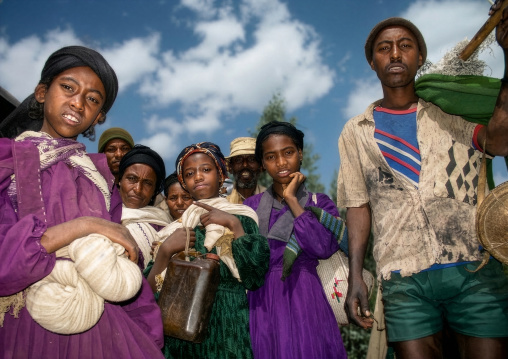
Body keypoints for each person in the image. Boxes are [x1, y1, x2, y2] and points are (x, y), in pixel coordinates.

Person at [337, 9, 508, 359]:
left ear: (420, 57)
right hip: (404, 276)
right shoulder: (356, 131)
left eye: (405, 45)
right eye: (384, 48)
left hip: (473, 265)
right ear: (372, 62)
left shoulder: (448, 111)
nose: (395, 54)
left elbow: (499, 141)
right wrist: (357, 277)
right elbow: (357, 206)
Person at [0, 46, 164, 358]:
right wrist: (85, 226)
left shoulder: (101, 177)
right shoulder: (8, 159)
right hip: (25, 323)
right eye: (68, 87)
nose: (78, 102)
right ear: (42, 92)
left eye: (92, 99)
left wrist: (147, 331)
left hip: (100, 324)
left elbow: (117, 257)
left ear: (98, 117)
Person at [146, 142, 270, 359]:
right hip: (180, 329)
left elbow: (254, 277)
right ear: (183, 182)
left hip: (228, 325)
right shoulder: (173, 230)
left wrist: (234, 225)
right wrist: (166, 251)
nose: (198, 177)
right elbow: (149, 290)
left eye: (206, 169)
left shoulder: (242, 216)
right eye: (190, 173)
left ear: (221, 174)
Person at [244, 121, 347, 359]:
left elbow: (322, 247)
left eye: (288, 153)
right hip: (263, 301)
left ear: (300, 154)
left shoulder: (319, 202)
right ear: (262, 164)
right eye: (271, 157)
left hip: (305, 297)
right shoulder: (249, 208)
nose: (281, 163)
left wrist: (292, 199)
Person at [118, 144, 171, 269]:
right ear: (120, 180)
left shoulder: (164, 227)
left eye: (147, 183)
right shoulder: (101, 216)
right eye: (132, 179)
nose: (138, 189)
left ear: (154, 191)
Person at [226, 137, 265, 204]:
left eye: (252, 159)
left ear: (261, 166)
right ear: (230, 167)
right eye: (238, 160)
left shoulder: (270, 198)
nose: (245, 165)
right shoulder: (222, 202)